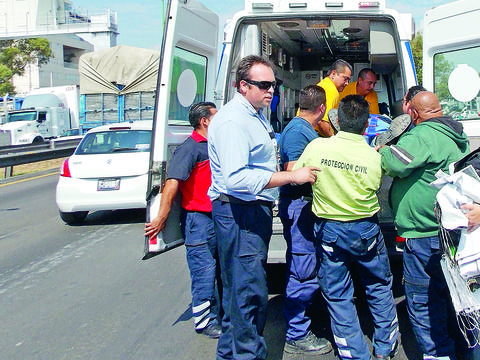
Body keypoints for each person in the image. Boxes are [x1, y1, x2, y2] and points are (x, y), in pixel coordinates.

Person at [207, 54, 319, 360]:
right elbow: (236, 178)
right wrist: (291, 176)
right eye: (264, 85)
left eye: (274, 85)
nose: (271, 91)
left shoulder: (254, 114)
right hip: (239, 213)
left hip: (248, 212)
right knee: (249, 296)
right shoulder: (233, 121)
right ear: (244, 86)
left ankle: (230, 354)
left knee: (238, 295)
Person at [294, 95, 399, 360]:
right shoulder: (373, 157)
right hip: (366, 230)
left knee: (338, 294)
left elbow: (297, 176)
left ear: (337, 121)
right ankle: (386, 348)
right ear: (367, 126)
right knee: (377, 285)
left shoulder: (317, 147)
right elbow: (375, 186)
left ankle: (354, 353)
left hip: (329, 230)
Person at [378, 91, 470, 359]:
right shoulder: (453, 132)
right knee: (451, 297)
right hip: (449, 230)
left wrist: (383, 150)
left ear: (414, 114)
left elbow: (396, 163)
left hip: (423, 233)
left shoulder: (421, 135)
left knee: (424, 302)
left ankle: (437, 354)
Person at [143, 102, 222, 339]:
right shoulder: (190, 149)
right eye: (215, 116)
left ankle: (218, 313)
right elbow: (172, 184)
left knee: (219, 270)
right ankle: (204, 321)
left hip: (215, 218)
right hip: (198, 222)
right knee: (204, 271)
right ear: (205, 121)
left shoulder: (212, 146)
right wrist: (161, 218)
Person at [278, 85, 332, 356]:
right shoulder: (298, 132)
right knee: (302, 269)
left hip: (303, 206)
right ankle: (296, 333)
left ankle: (306, 317)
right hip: (298, 206)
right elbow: (292, 169)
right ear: (321, 109)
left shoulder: (303, 128)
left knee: (304, 264)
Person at [315, 59, 352, 137]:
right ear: (333, 74)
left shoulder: (324, 84)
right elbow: (322, 123)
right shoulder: (331, 89)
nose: (347, 83)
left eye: (348, 80)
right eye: (345, 79)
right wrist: (334, 140)